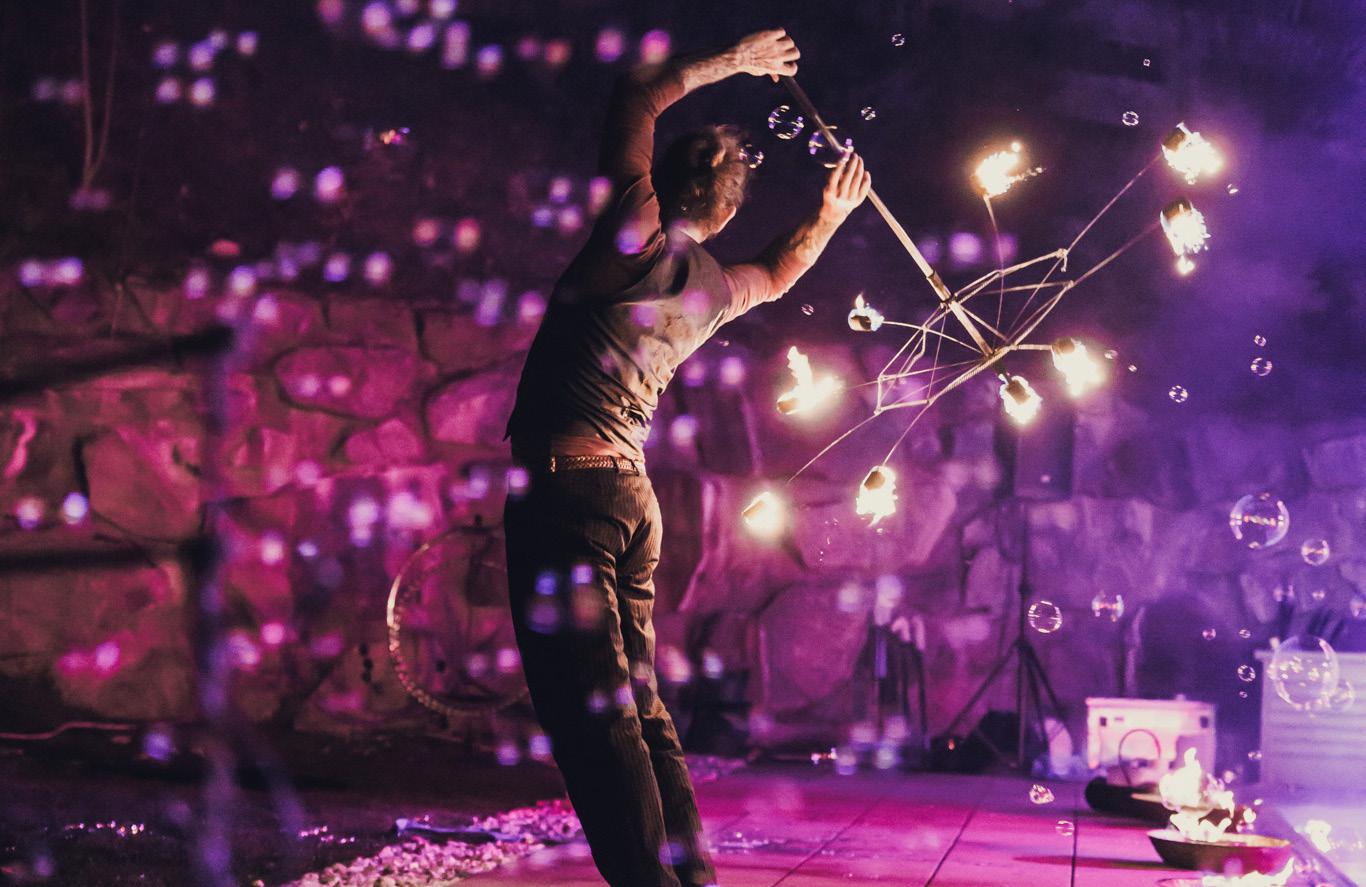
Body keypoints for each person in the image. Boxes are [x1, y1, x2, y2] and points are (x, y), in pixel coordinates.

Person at [502, 28, 870, 887]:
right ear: (727, 215)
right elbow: (779, 272)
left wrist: (733, 63)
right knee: (640, 708)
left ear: (659, 182)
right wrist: (828, 214)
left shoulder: (631, 234)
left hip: (567, 495)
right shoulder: (710, 286)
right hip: (630, 501)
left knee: (596, 718)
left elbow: (637, 95)